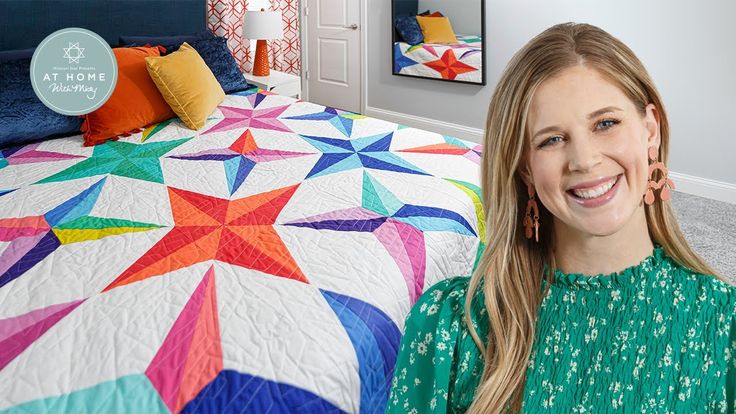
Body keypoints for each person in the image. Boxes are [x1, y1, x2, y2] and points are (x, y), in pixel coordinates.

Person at [386, 22, 736, 414]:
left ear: (650, 130)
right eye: (551, 139)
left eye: (606, 123)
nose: (585, 160)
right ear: (524, 169)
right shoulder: (450, 325)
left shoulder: (725, 327)